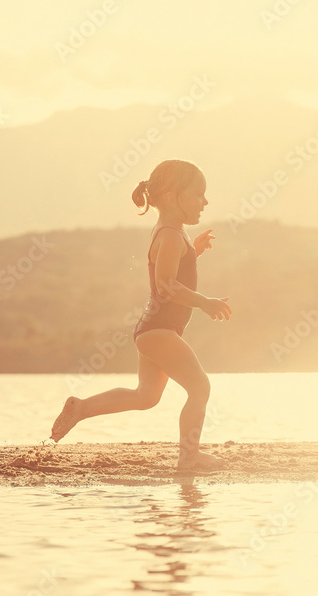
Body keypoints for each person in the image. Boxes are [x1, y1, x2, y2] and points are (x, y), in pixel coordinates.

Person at [50, 159, 232, 471]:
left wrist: (195, 251)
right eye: (199, 194)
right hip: (159, 331)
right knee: (200, 387)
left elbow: (173, 269)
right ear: (174, 197)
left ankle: (81, 409)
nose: (205, 201)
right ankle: (189, 456)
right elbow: (165, 285)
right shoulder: (171, 236)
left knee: (146, 397)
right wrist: (204, 302)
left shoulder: (175, 233)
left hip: (153, 331)